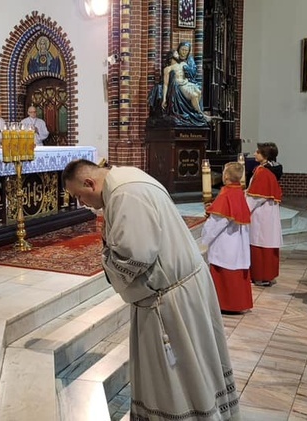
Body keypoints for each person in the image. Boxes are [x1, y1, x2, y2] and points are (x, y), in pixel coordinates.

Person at [63, 159, 240, 420]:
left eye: (80, 195)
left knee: (178, 372)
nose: (82, 203)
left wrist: (106, 260)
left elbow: (134, 254)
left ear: (90, 182)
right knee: (195, 363)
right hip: (180, 288)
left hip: (171, 300)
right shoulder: (127, 176)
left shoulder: (124, 194)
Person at [201, 162, 253, 314]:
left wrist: (204, 241)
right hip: (238, 241)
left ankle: (225, 304)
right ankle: (238, 303)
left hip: (226, 241)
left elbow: (217, 223)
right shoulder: (239, 192)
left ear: (226, 176)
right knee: (235, 266)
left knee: (223, 268)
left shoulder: (226, 194)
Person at [246, 142, 283, 287]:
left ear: (265, 155)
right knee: (267, 241)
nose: (254, 154)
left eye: (257, 152)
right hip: (269, 212)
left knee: (259, 243)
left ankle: (261, 276)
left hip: (262, 213)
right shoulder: (269, 169)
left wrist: (243, 208)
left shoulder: (263, 172)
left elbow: (256, 197)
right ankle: (269, 275)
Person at [161, 41, 209, 126]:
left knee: (198, 91)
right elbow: (165, 84)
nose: (181, 53)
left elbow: (192, 73)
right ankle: (201, 114)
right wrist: (164, 99)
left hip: (186, 83)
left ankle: (196, 112)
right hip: (179, 85)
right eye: (178, 52)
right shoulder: (168, 69)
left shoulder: (183, 63)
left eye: (186, 50)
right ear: (172, 56)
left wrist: (187, 69)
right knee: (194, 95)